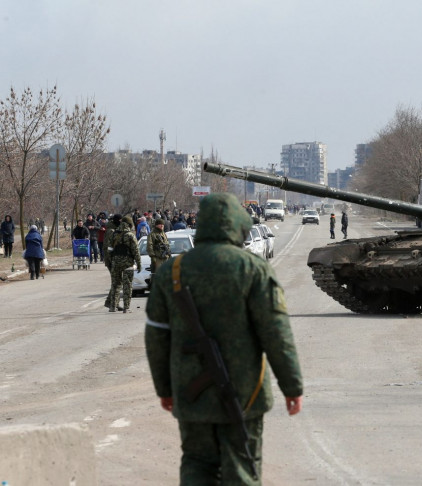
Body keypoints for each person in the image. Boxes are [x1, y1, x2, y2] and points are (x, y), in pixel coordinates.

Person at [144, 193, 303, 484]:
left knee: (196, 463)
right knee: (242, 467)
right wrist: (292, 386)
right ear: (238, 226)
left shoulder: (172, 271)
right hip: (245, 392)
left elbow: (156, 337)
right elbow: (276, 333)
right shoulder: (253, 269)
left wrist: (164, 389)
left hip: (191, 392)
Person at [107, 215, 141, 313]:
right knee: (127, 285)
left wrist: (112, 260)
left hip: (115, 262)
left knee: (115, 284)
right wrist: (139, 263)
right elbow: (136, 251)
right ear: (130, 224)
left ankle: (113, 306)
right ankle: (126, 307)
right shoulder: (130, 235)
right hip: (128, 263)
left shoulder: (114, 234)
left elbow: (109, 249)